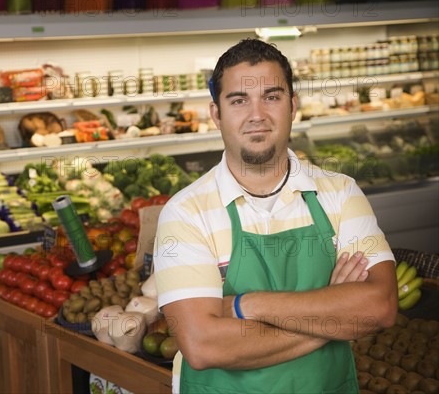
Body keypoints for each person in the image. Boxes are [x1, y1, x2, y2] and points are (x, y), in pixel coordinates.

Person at [153, 38, 398, 393]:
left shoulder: (340, 193)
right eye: (239, 101)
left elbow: (380, 306)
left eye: (272, 96)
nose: (257, 115)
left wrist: (242, 305)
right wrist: (333, 318)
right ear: (216, 114)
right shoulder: (185, 213)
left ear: (293, 106)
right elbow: (204, 345)